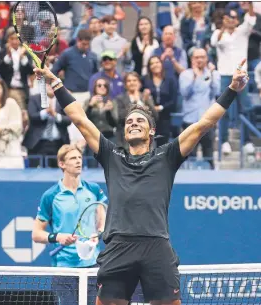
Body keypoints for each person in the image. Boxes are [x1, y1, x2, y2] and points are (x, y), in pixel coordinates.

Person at [34, 58, 249, 305]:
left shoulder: (167, 156)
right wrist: (56, 83)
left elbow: (204, 125)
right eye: (129, 122)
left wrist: (232, 89)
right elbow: (80, 119)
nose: (133, 123)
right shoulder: (110, 154)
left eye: (139, 121)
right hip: (118, 246)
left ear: (150, 132)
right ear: (124, 132)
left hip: (156, 245)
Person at [32, 144, 107, 305]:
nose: (78, 161)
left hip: (92, 265)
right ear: (62, 164)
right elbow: (36, 234)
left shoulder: (93, 189)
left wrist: (98, 232)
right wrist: (58, 237)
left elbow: (102, 218)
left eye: (80, 157)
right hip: (65, 268)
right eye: (73, 158)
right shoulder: (51, 195)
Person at [211, 6, 256, 155]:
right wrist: (223, 26)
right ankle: (224, 141)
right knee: (223, 109)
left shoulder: (243, 31)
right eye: (228, 18)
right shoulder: (218, 32)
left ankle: (247, 142)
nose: (231, 20)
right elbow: (214, 43)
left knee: (245, 108)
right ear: (224, 19)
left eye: (234, 18)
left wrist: (249, 5)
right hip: (225, 75)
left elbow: (251, 17)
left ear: (237, 20)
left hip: (242, 74)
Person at [179, 48, 221, 169]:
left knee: (208, 153)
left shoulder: (213, 73)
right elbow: (184, 93)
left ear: (206, 59)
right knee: (188, 153)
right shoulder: (185, 74)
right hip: (190, 119)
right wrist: (194, 78)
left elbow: (215, 92)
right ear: (192, 59)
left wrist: (212, 75)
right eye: (196, 57)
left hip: (207, 120)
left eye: (202, 57)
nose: (199, 60)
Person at [23, 83, 71, 168]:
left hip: (58, 143)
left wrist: (55, 115)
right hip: (38, 143)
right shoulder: (34, 98)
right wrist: (46, 112)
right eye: (48, 84)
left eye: (54, 85)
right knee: (33, 172)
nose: (51, 87)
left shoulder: (64, 100)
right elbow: (32, 116)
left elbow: (68, 120)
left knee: (58, 172)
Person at [0, 78, 24, 169]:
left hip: (10, 145)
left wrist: (1, 128)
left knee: (12, 177)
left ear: (3, 89)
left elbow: (17, 125)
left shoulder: (11, 103)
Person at [115, 71, 158, 149]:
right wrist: (136, 103)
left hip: (146, 140)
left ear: (139, 83)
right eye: (129, 81)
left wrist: (146, 101)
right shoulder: (120, 98)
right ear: (125, 84)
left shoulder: (146, 97)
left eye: (134, 80)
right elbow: (120, 117)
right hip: (126, 141)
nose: (132, 83)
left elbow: (155, 116)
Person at [142, 55, 178, 146]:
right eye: (152, 63)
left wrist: (161, 107)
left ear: (161, 64)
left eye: (157, 62)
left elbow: (174, 100)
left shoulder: (170, 79)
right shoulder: (145, 79)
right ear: (149, 67)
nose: (155, 65)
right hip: (148, 117)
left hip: (165, 116)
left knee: (162, 144)